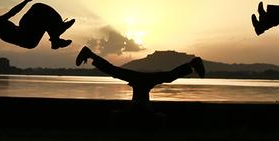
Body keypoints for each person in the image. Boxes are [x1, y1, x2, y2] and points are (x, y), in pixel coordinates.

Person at [75, 46, 205, 108]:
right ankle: (192, 64)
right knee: (168, 76)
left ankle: (90, 54)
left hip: (140, 81)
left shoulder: (141, 85)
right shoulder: (143, 86)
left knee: (113, 71)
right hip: (141, 82)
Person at [0, 0, 75, 49]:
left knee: (42, 16)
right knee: (38, 8)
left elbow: (13, 12)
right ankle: (57, 34)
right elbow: (13, 12)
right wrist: (27, 0)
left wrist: (27, 0)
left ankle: (55, 40)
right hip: (27, 36)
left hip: (29, 40)